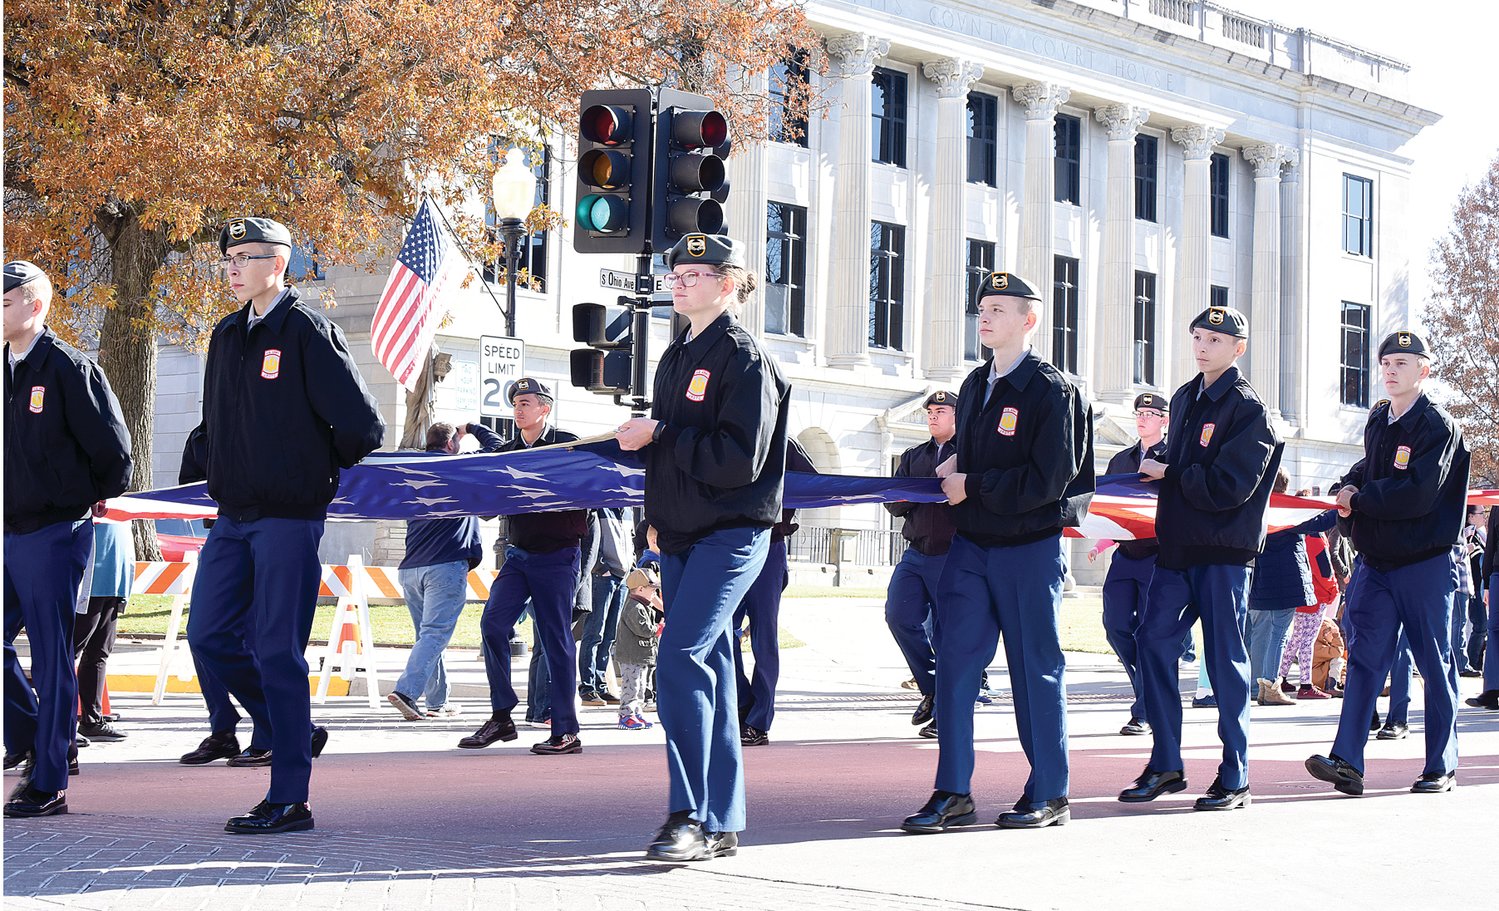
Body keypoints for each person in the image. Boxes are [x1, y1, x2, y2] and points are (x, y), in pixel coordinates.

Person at [181, 217, 385, 834]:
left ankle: (289, 798)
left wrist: (308, 470)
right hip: (232, 516)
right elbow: (215, 425)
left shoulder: (306, 330)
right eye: (228, 257)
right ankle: (292, 725)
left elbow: (360, 424)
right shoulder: (224, 335)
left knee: (276, 649)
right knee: (209, 637)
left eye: (246, 256)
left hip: (288, 518)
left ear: (281, 262)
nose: (233, 266)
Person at [616, 232, 790, 862]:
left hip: (733, 532)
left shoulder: (745, 358)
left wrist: (660, 430)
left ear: (728, 282)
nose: (680, 279)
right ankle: (722, 819)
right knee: (710, 666)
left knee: (681, 657)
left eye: (696, 271)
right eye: (676, 271)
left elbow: (738, 460)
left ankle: (688, 812)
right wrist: (653, 526)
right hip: (683, 533)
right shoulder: (675, 354)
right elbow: (666, 460)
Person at [901, 270, 1094, 834]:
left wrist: (974, 483)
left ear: (1029, 320)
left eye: (999, 309)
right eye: (982, 307)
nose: (984, 317)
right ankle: (953, 790)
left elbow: (1051, 481)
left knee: (1036, 671)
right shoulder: (975, 384)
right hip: (972, 548)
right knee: (956, 668)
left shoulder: (1053, 391)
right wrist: (956, 465)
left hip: (1028, 551)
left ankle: (1049, 791)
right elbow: (977, 456)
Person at [1118, 304, 1282, 813]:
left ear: (1239, 348)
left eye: (1215, 338)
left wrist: (1172, 473)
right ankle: (1166, 762)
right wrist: (1165, 467)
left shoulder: (1248, 408)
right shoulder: (1185, 397)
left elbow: (1231, 486)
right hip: (1176, 550)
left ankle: (1235, 774)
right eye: (1197, 336)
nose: (1203, 345)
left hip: (1223, 554)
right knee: (1152, 642)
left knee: (1225, 661)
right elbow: (1185, 464)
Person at [1306, 330, 1470, 797]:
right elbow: (1368, 469)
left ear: (1424, 370)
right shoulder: (1379, 420)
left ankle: (1441, 764)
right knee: (1363, 658)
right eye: (1386, 363)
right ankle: (1347, 760)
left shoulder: (1437, 425)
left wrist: (1360, 499)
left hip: (1425, 563)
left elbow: (1418, 494)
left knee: (1434, 664)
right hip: (1376, 563)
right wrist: (1346, 486)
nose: (1392, 370)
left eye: (1403, 362)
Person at [3, 260, 133, 818]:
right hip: (7, 529)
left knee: (54, 657)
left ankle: (49, 780)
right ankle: (35, 736)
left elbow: (114, 452)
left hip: (55, 530)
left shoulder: (69, 369)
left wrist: (80, 502)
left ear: (34, 305)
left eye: (5, 301)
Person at [460, 377, 588, 755]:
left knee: (555, 640)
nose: (518, 409)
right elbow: (488, 506)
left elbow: (588, 489)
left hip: (558, 556)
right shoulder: (508, 452)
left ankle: (566, 730)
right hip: (518, 556)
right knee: (492, 626)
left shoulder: (567, 444)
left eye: (526, 403)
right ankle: (502, 716)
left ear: (544, 408)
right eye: (515, 403)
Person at [387, 420, 503, 721]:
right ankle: (406, 692)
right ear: (452, 445)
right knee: (434, 634)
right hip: (445, 565)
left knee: (427, 637)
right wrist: (470, 427)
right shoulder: (458, 468)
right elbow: (498, 449)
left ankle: (437, 702)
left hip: (411, 567)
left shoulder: (414, 472)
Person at [1090, 392, 1169, 736]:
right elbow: (1110, 506)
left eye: (1151, 413)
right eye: (1139, 412)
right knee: (1116, 626)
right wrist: (1102, 538)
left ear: (1165, 420)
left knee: (1150, 634)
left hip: (1159, 557)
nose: (1143, 418)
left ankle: (1145, 711)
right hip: (1125, 556)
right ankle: (1149, 692)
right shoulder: (1121, 460)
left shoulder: (1174, 458)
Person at [883, 391, 959, 741]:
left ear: (957, 416)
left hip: (953, 555)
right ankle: (930, 687)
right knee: (899, 616)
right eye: (930, 411)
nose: (932, 416)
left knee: (948, 635)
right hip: (916, 553)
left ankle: (946, 713)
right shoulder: (914, 456)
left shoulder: (968, 456)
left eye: (940, 411)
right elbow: (894, 504)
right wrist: (912, 494)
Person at [734, 438, 815, 747]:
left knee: (764, 636)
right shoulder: (727, 434)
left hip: (769, 546)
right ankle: (743, 704)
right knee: (722, 632)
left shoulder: (785, 444)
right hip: (728, 546)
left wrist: (779, 509)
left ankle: (759, 720)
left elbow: (812, 484)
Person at [1247, 472, 1336, 706]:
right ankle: (1271, 685)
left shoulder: (1257, 506)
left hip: (1261, 580)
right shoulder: (1289, 509)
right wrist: (1341, 506)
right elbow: (1320, 523)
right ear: (1286, 487)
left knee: (1260, 634)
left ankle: (1258, 687)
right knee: (1279, 634)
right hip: (1287, 582)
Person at [75, 517, 134, 742]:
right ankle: (60, 724)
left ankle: (91, 720)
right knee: (70, 652)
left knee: (99, 652)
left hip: (114, 577)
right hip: (89, 580)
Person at [579, 506, 634, 706]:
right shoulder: (600, 509)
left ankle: (601, 685)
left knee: (609, 635)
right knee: (594, 633)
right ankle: (588, 687)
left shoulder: (628, 511)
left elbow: (630, 540)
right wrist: (602, 568)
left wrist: (631, 567)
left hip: (622, 578)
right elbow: (592, 541)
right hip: (604, 578)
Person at [616, 565, 663, 730]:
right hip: (631, 656)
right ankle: (626, 715)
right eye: (652, 590)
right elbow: (642, 630)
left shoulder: (643, 606)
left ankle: (636, 712)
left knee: (641, 686)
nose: (654, 594)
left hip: (641, 655)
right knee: (632, 686)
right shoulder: (634, 608)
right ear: (641, 589)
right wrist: (658, 628)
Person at [1470, 503, 1499, 710]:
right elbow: (1491, 545)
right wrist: (1487, 582)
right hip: (1497, 573)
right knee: (1494, 629)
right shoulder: (1497, 504)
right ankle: (1491, 690)